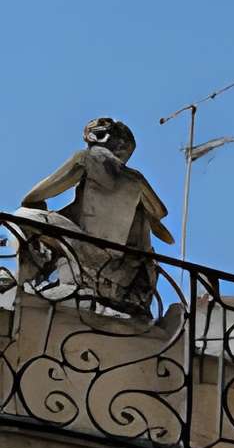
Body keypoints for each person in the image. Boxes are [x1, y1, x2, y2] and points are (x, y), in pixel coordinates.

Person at [17, 117, 172, 313]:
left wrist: (42, 208)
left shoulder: (87, 158)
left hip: (87, 255)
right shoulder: (136, 179)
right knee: (139, 215)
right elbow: (160, 212)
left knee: (24, 215)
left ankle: (27, 282)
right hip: (119, 269)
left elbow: (32, 197)